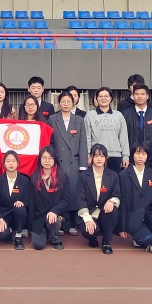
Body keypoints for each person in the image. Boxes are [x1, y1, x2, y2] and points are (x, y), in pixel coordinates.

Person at [48, 90, 87, 235]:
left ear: (73, 102)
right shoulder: (52, 119)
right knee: (58, 191)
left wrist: (83, 165)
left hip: (74, 163)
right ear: (59, 103)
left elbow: (83, 143)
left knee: (73, 191)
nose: (65, 104)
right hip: (58, 162)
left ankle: (72, 222)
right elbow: (50, 142)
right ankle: (60, 220)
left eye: (68, 101)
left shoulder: (79, 120)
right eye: (63, 101)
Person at [118, 143, 152, 254]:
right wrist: (122, 227)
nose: (140, 157)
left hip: (149, 213)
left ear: (148, 156)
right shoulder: (123, 175)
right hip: (133, 216)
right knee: (145, 239)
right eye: (137, 153)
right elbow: (122, 202)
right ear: (132, 155)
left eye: (144, 154)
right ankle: (142, 239)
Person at [76, 143, 121, 254]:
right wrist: (87, 219)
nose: (99, 159)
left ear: (106, 158)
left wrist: (111, 201)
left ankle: (106, 241)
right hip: (89, 211)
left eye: (102, 156)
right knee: (90, 232)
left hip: (104, 212)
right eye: (96, 156)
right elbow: (80, 199)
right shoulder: (83, 176)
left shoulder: (113, 175)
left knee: (112, 210)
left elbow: (117, 195)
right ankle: (93, 238)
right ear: (91, 157)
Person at [29, 146, 69, 250]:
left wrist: (54, 211)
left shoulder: (63, 177)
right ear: (40, 159)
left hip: (56, 215)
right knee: (38, 245)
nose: (47, 161)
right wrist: (31, 224)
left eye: (50, 158)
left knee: (54, 220)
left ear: (55, 159)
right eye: (44, 158)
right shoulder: (34, 178)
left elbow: (66, 200)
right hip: (39, 217)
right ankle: (45, 231)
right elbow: (32, 203)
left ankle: (55, 237)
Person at [84, 87, 129, 174]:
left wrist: (125, 156)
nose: (103, 98)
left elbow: (123, 137)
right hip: (97, 155)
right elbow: (87, 137)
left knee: (115, 180)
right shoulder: (90, 115)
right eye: (100, 96)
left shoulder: (118, 115)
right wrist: (88, 155)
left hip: (115, 155)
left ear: (111, 98)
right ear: (96, 98)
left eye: (106, 96)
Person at [121, 84, 152, 171]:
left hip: (150, 158)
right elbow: (122, 138)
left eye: (142, 94)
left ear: (147, 96)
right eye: (137, 94)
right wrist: (124, 156)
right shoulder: (124, 115)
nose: (140, 96)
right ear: (133, 96)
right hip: (130, 158)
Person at [0, 150, 32, 249]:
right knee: (1, 235)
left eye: (13, 161)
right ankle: (9, 231)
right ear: (4, 163)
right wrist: (0, 219)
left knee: (21, 209)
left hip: (18, 215)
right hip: (4, 215)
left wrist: (22, 202)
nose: (11, 163)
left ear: (18, 163)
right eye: (8, 161)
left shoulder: (25, 180)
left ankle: (18, 236)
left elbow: (28, 201)